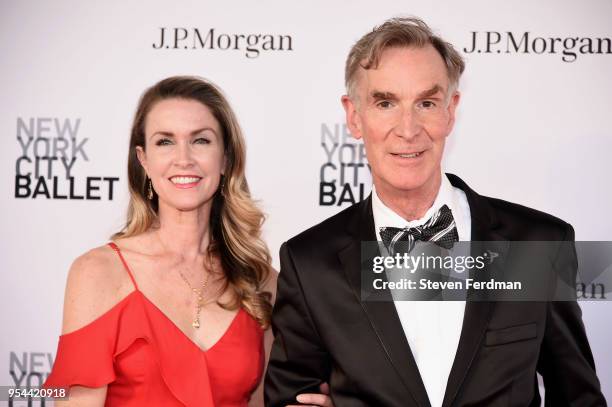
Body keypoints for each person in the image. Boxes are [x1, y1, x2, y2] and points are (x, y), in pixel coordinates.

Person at [264, 18, 607, 406]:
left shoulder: (536, 244)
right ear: (354, 117)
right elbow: (290, 398)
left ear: (450, 110)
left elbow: (578, 397)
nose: (408, 129)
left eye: (426, 103)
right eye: (385, 103)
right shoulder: (310, 263)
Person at [43, 76, 332, 406]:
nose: (184, 158)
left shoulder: (261, 281)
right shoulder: (98, 273)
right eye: (165, 141)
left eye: (201, 141)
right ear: (144, 160)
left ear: (225, 159)